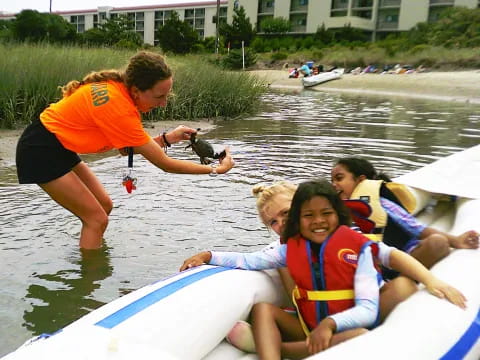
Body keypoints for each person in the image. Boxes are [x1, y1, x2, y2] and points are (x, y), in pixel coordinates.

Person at [180, 179, 466, 358]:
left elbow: (390, 258)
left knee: (397, 292)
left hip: (354, 320)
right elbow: (247, 261)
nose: (282, 222)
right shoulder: (284, 251)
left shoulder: (350, 242)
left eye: (287, 212)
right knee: (264, 310)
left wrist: (432, 281)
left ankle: (282, 351)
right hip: (311, 324)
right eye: (274, 222)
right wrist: (208, 254)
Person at [16, 51, 235, 250]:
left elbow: (126, 149)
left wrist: (168, 138)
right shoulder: (119, 108)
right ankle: (88, 282)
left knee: (104, 206)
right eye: (159, 96)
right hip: (39, 150)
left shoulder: (119, 89)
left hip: (58, 145)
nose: (164, 104)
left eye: (167, 95)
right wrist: (216, 170)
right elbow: (166, 165)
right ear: (137, 90)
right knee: (96, 219)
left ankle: (87, 248)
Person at [331, 157, 479, 273]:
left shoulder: (380, 201)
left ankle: (406, 276)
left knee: (437, 243)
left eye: (339, 178)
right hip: (359, 260)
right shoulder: (333, 210)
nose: (334, 184)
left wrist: (455, 240)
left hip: (398, 256)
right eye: (332, 180)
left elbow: (415, 227)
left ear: (361, 180)